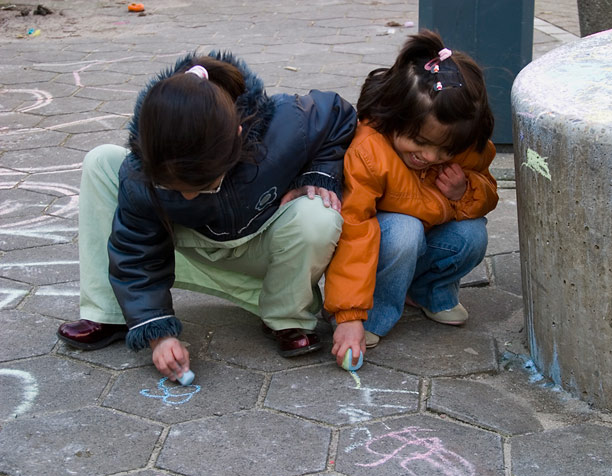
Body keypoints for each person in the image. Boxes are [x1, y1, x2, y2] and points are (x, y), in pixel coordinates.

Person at [57, 52, 357, 382]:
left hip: (262, 251)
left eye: (201, 186)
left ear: (239, 136)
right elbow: (135, 252)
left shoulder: (286, 125)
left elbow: (339, 115)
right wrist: (158, 333)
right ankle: (113, 313)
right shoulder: (141, 170)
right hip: (190, 247)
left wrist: (319, 174)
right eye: (174, 187)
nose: (187, 195)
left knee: (319, 213)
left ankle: (286, 316)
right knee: (101, 161)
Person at [323, 30, 499, 367]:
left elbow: (488, 189)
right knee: (404, 230)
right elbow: (354, 228)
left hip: (425, 240)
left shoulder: (463, 141)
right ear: (396, 114)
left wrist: (466, 192)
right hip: (381, 249)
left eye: (444, 149)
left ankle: (428, 291)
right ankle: (373, 312)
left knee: (473, 233)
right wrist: (348, 315)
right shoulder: (369, 151)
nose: (431, 156)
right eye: (419, 141)